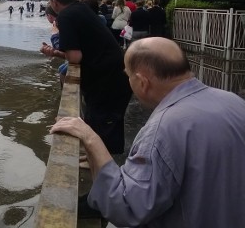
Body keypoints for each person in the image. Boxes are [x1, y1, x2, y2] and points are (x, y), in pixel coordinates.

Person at [51, 37, 245, 227]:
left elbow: (126, 208)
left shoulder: (163, 129)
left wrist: (90, 138)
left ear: (142, 82)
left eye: (128, 76)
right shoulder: (233, 102)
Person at [46, 0, 132, 156]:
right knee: (102, 123)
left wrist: (55, 37)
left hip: (106, 81)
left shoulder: (66, 16)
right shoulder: (81, 9)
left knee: (103, 124)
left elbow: (75, 57)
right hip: (115, 77)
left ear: (54, 2)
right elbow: (82, 51)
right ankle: (97, 160)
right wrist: (56, 53)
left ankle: (99, 165)